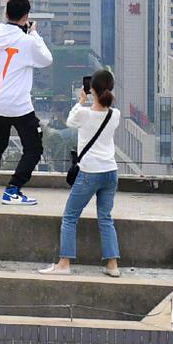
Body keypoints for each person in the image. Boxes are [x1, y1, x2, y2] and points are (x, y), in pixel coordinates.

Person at [40, 68, 122, 277]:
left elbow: (70, 121)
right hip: (111, 171)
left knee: (70, 217)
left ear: (91, 89)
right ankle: (112, 265)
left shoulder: (83, 113)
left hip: (90, 172)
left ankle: (64, 263)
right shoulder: (116, 115)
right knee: (105, 218)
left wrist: (81, 100)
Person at [0, 0, 52, 204]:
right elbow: (47, 60)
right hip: (18, 104)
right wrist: (33, 33)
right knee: (34, 147)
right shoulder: (26, 41)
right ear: (26, 16)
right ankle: (13, 189)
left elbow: (6, 35)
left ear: (6, 13)